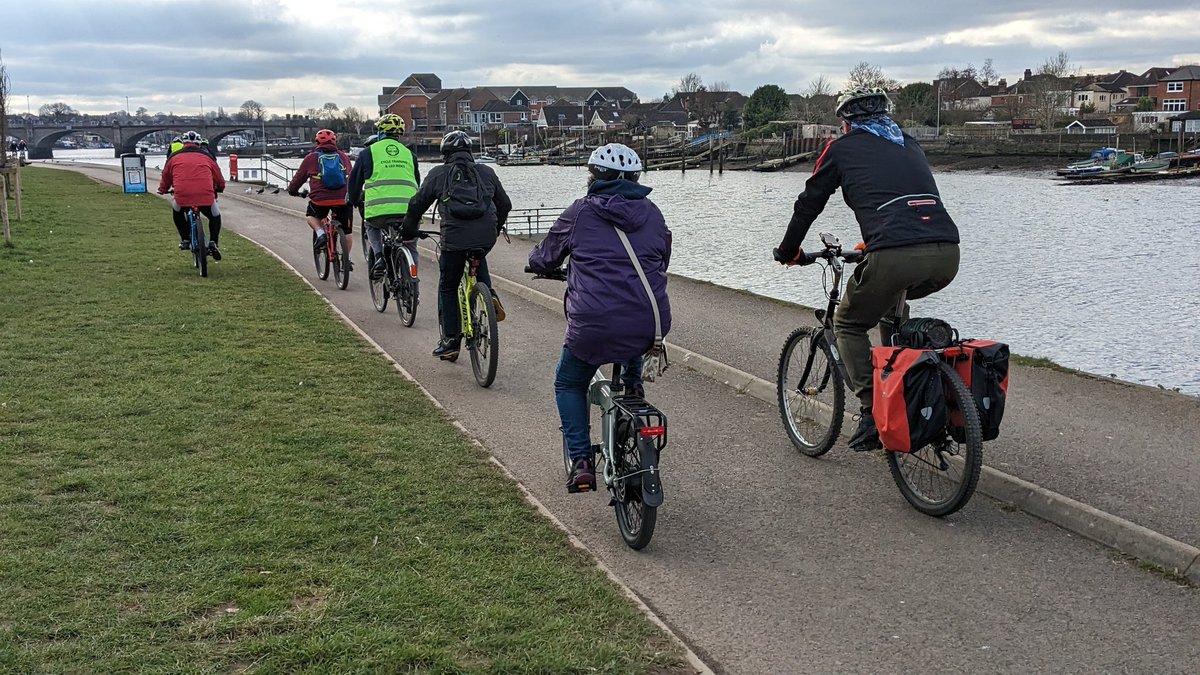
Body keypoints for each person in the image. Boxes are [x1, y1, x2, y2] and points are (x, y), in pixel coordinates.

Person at [773, 86, 960, 452]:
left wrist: (788, 250)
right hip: (947, 253)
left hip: (894, 254)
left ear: (846, 122)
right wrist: (875, 242)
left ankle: (874, 411)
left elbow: (809, 203)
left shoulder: (841, 149)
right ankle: (909, 385)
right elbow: (904, 200)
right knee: (892, 311)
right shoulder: (908, 143)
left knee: (849, 323)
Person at [527, 143, 672, 493]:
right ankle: (633, 390)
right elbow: (662, 257)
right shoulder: (653, 213)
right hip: (650, 321)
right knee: (631, 335)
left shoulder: (580, 212)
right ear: (636, 179)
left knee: (568, 382)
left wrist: (537, 263)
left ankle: (580, 461)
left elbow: (547, 256)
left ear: (594, 177)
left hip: (593, 325)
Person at [403, 130, 511, 361]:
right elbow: (505, 204)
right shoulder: (487, 172)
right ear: (470, 152)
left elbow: (416, 205)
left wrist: (409, 231)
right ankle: (487, 292)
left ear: (445, 154)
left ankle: (451, 340)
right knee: (478, 254)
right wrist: (495, 227)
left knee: (448, 286)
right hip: (485, 237)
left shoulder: (438, 174)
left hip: (454, 239)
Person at [348, 114, 421, 281]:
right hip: (408, 211)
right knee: (410, 244)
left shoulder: (367, 153)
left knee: (370, 225)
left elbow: (354, 182)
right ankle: (412, 280)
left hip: (379, 210)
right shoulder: (410, 155)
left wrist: (353, 200)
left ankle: (379, 256)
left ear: (380, 132)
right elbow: (417, 182)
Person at [288, 128, 354, 261]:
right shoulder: (343, 157)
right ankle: (345, 260)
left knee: (311, 216)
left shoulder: (311, 158)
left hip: (320, 199)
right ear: (335, 141)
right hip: (343, 199)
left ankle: (320, 233)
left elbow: (298, 178)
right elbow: (351, 177)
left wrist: (293, 191)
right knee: (347, 232)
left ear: (317, 142)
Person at [158, 131, 225, 259]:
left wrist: (162, 189)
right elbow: (218, 176)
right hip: (205, 194)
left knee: (177, 211)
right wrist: (220, 187)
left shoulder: (173, 157)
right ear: (199, 144)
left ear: (183, 143)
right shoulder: (207, 157)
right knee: (215, 216)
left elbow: (166, 176)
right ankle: (213, 242)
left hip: (182, 194)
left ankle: (185, 239)